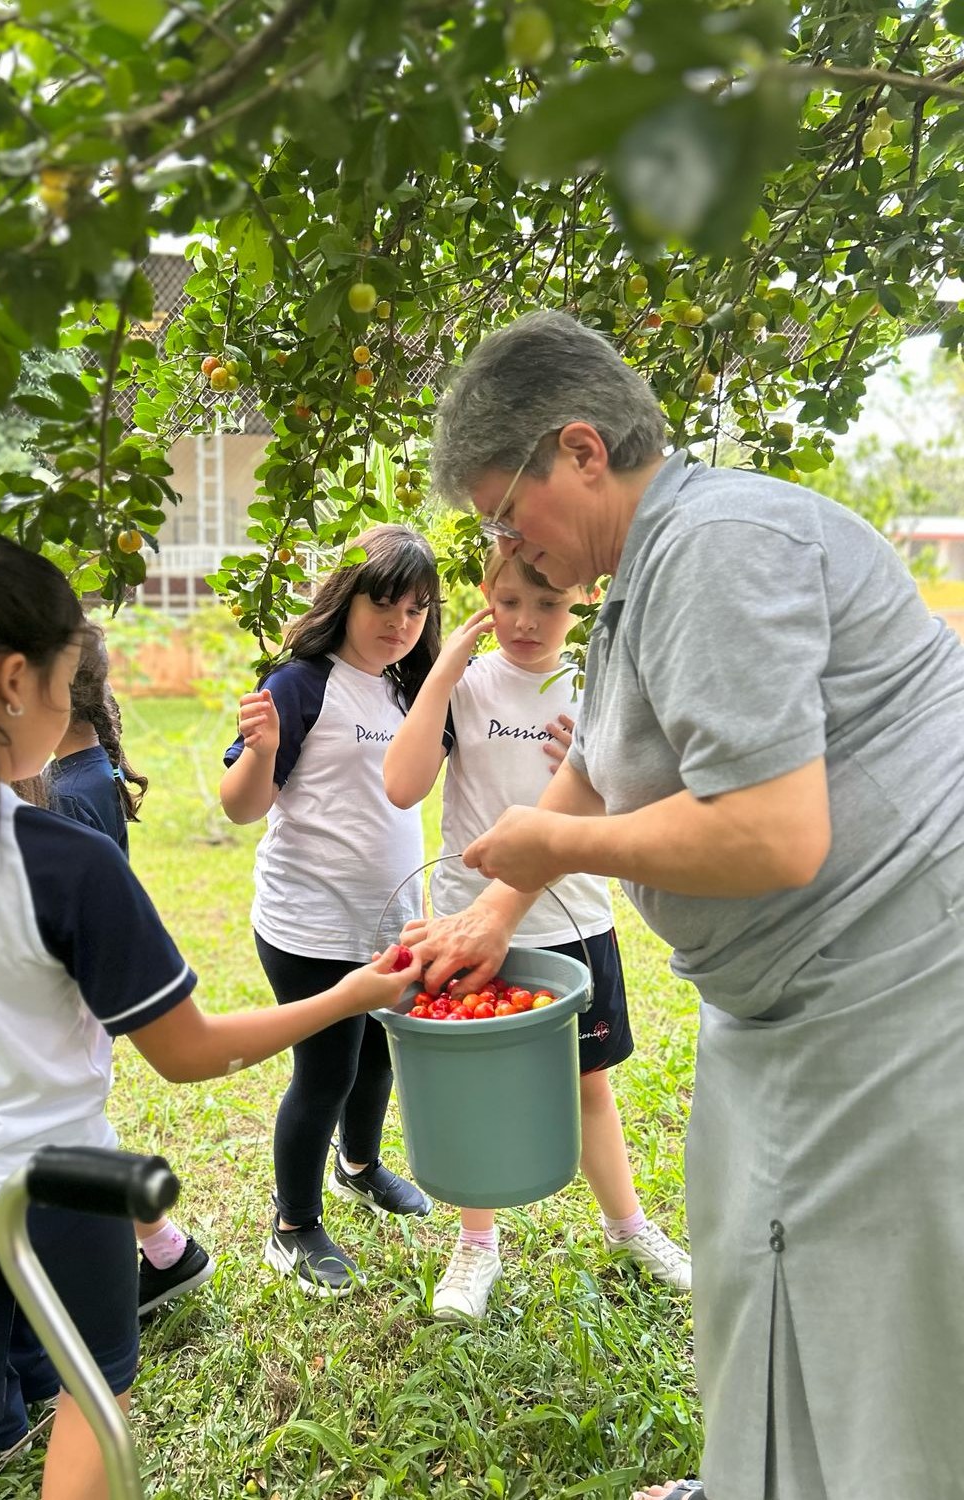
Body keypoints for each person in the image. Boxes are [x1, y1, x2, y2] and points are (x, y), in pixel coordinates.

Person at [404, 309, 964, 1500]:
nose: (511, 549)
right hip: (783, 1010)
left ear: (581, 451)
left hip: (896, 994)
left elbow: (772, 832)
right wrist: (499, 909)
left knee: (875, 1314)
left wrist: (554, 840)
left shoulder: (719, 544)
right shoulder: (645, 579)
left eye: (507, 513)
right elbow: (601, 758)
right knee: (755, 1261)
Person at [0, 534, 419, 1500]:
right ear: (11, 685)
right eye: (69, 681)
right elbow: (189, 1053)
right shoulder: (67, 864)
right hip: (49, 1189)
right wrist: (353, 994)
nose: (79, 706)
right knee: (92, 1394)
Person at [383, 547, 689, 1321]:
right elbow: (402, 784)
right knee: (472, 1088)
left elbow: (636, 804)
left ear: (585, 600)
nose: (526, 621)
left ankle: (629, 1227)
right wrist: (443, 675)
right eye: (510, 600)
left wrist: (588, 772)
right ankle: (476, 1246)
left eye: (548, 605)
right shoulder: (470, 685)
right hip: (466, 922)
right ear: (485, 594)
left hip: (575, 921)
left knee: (590, 1083)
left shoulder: (597, 687)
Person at [220, 524, 442, 1297]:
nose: (400, 622)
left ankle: (360, 1165)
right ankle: (293, 1222)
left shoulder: (408, 690)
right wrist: (259, 749)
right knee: (326, 1069)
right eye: (384, 601)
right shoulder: (302, 682)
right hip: (307, 925)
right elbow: (242, 807)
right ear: (346, 598)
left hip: (386, 922)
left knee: (379, 1055)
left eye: (416, 609)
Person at [45, 629, 214, 1314]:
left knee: (66, 1139)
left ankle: (145, 1263)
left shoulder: (64, 790)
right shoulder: (90, 768)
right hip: (77, 994)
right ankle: (167, 1248)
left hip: (70, 997)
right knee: (74, 1133)